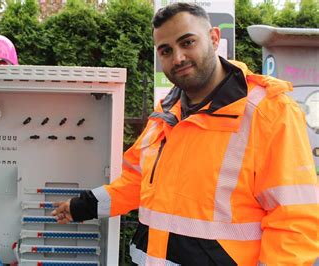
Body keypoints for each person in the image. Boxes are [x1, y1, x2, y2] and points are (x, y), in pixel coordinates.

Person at [51, 3, 318, 265]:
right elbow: (137, 181)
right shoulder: (167, 111)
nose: (177, 57)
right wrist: (81, 207)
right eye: (166, 50)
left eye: (187, 42)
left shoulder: (270, 112)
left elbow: (294, 221)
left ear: (214, 38)